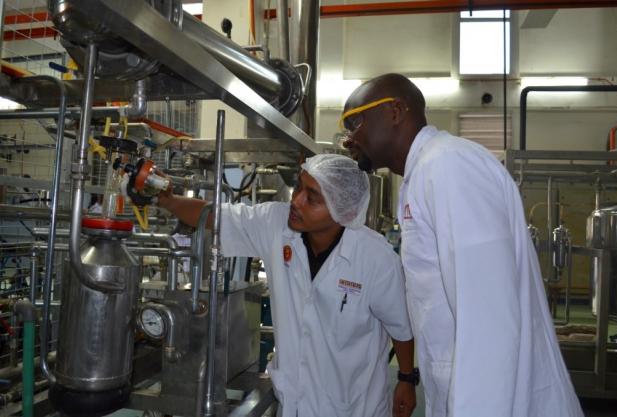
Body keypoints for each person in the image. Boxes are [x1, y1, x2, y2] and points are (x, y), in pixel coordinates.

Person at [340, 73, 584, 417]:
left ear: (395, 111)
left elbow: (489, 320)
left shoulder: (449, 166)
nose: (349, 139)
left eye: (356, 123)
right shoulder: (424, 172)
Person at [158, 154, 416, 417]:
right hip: (295, 404)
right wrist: (168, 200)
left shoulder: (376, 259)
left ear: (343, 211)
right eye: (299, 187)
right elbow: (216, 218)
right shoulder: (275, 224)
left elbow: (401, 328)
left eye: (312, 198)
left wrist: (407, 379)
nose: (296, 200)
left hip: (356, 406)